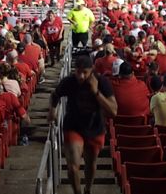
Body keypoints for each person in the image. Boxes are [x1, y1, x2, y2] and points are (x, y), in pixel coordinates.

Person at [50, 56, 117, 194]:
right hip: (73, 126)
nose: (81, 76)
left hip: (95, 127)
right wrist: (52, 111)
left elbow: (113, 111)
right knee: (73, 166)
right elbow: (55, 95)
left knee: (90, 163)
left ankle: (88, 188)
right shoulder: (69, 82)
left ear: (91, 70)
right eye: (78, 71)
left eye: (85, 72)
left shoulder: (102, 82)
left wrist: (96, 92)